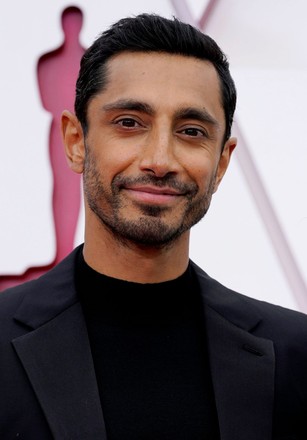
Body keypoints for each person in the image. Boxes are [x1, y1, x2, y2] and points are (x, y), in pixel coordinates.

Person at [0, 12, 306, 440]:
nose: (160, 160)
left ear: (221, 163)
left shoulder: (295, 355)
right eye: (129, 123)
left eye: (192, 130)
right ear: (75, 142)